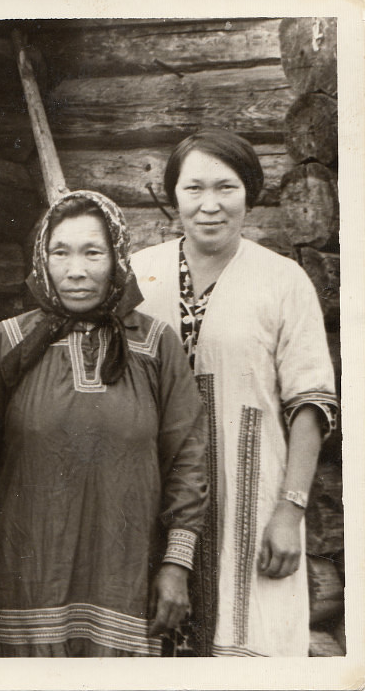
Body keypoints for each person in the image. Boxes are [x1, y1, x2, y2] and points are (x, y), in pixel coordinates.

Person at [0, 190, 209, 657]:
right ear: (42, 259)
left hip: (125, 581)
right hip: (24, 582)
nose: (76, 270)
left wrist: (177, 564)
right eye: (61, 253)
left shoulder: (157, 344)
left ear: (118, 258)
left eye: (93, 253)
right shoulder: (7, 341)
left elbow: (188, 459)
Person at [131, 129, 339, 657]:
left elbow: (310, 403)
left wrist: (290, 511)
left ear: (250, 192)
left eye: (226, 187)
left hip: (252, 498)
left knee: (246, 644)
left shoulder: (283, 280)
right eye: (193, 188)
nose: (210, 205)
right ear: (173, 195)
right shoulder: (139, 274)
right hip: (149, 494)